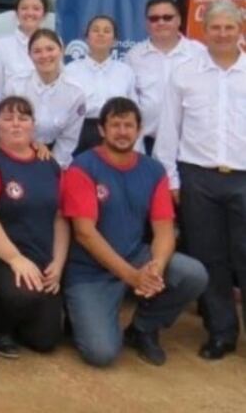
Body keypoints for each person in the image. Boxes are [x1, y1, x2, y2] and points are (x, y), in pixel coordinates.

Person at [62, 97, 207, 366]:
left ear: (138, 130)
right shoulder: (82, 167)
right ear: (102, 130)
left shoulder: (153, 170)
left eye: (128, 125)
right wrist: (132, 277)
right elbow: (84, 233)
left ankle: (143, 328)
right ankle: (81, 316)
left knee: (192, 274)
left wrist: (156, 268)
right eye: (115, 125)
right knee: (101, 353)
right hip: (89, 271)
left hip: (136, 258)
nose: (122, 131)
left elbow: (163, 228)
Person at [156, 0, 246, 360]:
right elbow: (168, 131)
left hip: (244, 176)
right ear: (203, 31)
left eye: (229, 27)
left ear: (240, 29)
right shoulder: (185, 72)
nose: (222, 34)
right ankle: (222, 333)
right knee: (210, 260)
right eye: (215, 27)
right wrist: (172, 180)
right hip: (198, 178)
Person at [0, 96, 68, 358]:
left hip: (40, 255)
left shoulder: (49, 163)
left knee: (45, 340)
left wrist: (57, 263)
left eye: (23, 118)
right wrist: (15, 259)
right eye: (8, 118)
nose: (15, 124)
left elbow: (59, 217)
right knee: (22, 294)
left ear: (33, 125)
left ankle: (24, 313)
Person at [125, 0, 206, 154]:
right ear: (147, 23)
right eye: (154, 18)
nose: (161, 22)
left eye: (167, 17)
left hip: (190, 146)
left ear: (179, 20)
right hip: (146, 144)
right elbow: (129, 102)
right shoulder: (133, 56)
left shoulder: (199, 53)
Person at [4, 29, 85, 169]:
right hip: (16, 151)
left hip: (56, 156)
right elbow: (7, 126)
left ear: (61, 50)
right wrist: (31, 146)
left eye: (50, 49)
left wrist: (52, 164)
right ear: (29, 55)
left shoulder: (75, 92)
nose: (44, 55)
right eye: (37, 51)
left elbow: (69, 138)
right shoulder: (16, 85)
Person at [64, 15, 137, 154]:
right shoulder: (70, 71)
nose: (101, 34)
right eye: (95, 30)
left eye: (107, 31)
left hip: (115, 132)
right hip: (79, 133)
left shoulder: (125, 71)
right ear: (87, 38)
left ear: (115, 40)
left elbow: (133, 110)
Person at [0, 0, 49, 122]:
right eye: (24, 8)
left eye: (36, 8)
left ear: (44, 14)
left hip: (46, 123)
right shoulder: (2, 46)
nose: (30, 13)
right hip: (13, 123)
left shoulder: (54, 42)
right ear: (16, 13)